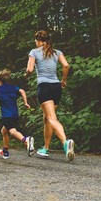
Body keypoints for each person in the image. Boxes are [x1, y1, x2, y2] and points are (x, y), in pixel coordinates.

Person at [25, 30, 74, 161]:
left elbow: (29, 69)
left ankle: (65, 142)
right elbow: (66, 65)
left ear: (38, 40)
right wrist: (64, 80)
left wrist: (26, 74)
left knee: (51, 118)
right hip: (56, 87)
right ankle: (45, 148)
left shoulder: (34, 52)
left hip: (44, 86)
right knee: (46, 118)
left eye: (35, 40)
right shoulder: (57, 52)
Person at [0, 69, 35, 159]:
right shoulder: (13, 87)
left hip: (6, 115)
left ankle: (26, 140)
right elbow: (22, 91)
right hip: (15, 114)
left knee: (12, 131)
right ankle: (5, 152)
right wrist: (25, 102)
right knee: (4, 131)